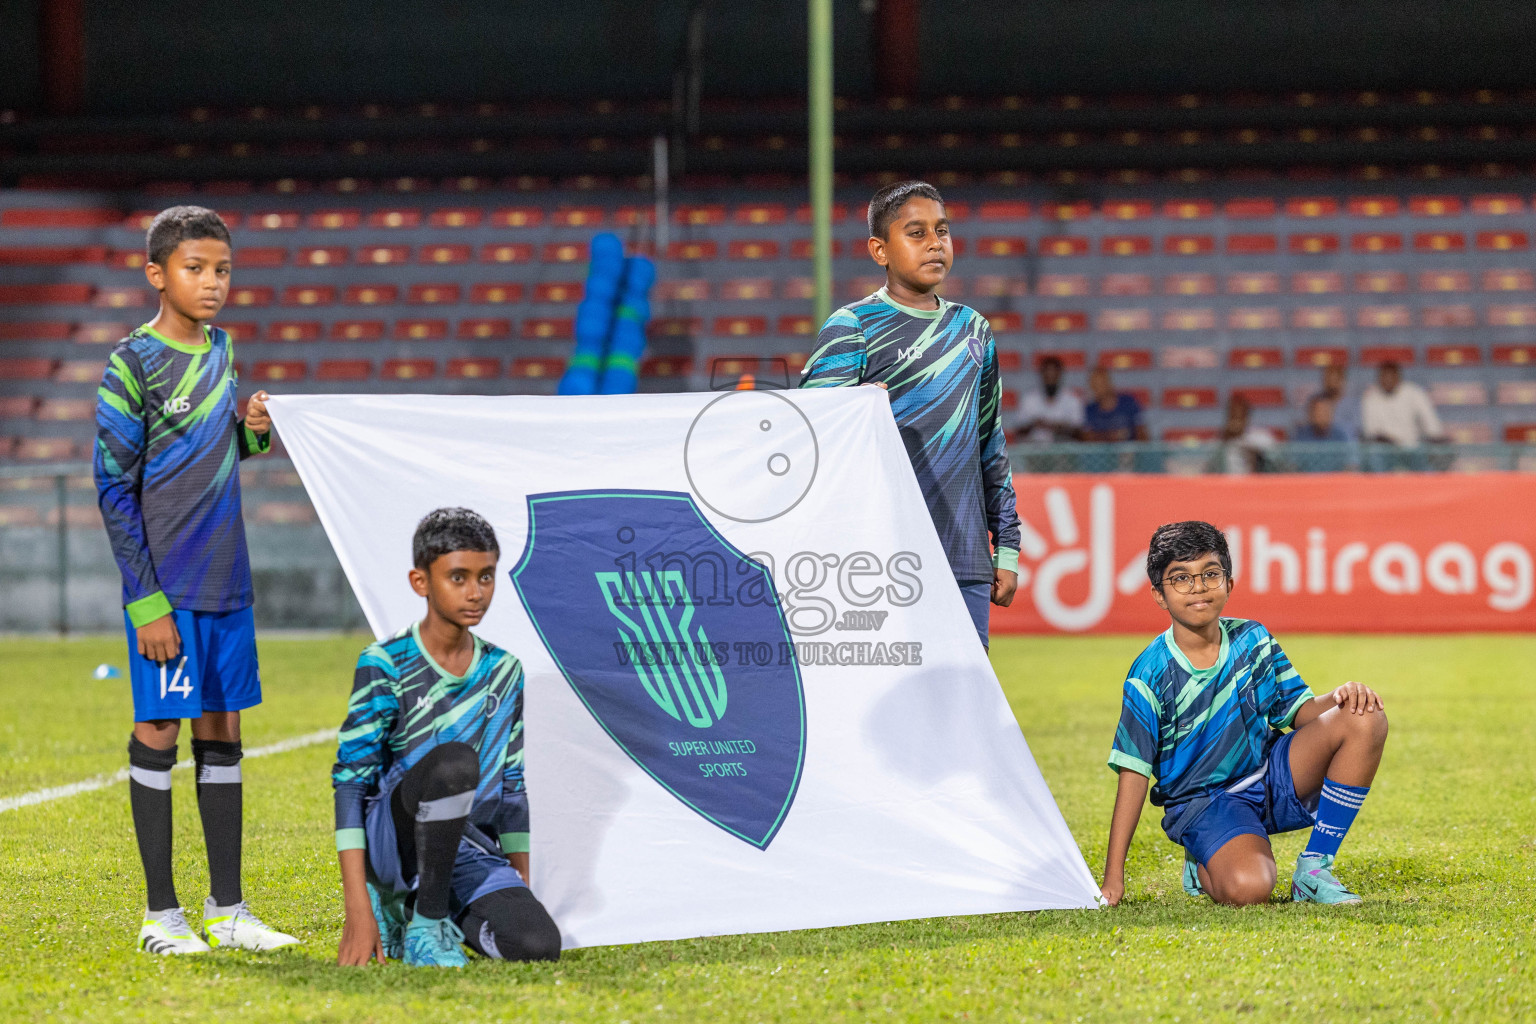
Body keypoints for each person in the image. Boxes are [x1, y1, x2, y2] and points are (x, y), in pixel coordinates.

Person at [95, 206, 297, 955]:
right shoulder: (132, 363)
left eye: (222, 270)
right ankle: (161, 917)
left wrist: (250, 430)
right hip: (168, 592)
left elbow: (216, 456)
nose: (212, 283)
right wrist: (146, 602)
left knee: (224, 731)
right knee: (160, 730)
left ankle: (229, 910)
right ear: (157, 274)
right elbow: (114, 486)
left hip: (227, 581)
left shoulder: (222, 348)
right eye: (195, 269)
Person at [1099, 521, 1388, 908]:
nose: (1198, 587)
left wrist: (1338, 697)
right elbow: (1134, 773)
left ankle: (1314, 870)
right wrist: (1113, 879)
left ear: (1229, 583)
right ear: (1159, 595)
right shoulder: (1149, 674)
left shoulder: (1253, 639)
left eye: (1210, 574)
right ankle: (1206, 857)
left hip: (1268, 775)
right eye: (1181, 578)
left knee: (1362, 715)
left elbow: (1300, 713)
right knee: (1251, 889)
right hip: (1205, 803)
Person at [333, 508, 562, 968]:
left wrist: (519, 887)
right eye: (458, 578)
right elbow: (351, 786)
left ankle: (416, 910)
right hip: (394, 843)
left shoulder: (505, 671)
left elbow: (513, 786)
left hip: (466, 847)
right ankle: (419, 922)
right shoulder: (385, 662)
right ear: (421, 582)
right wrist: (357, 908)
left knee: (537, 947)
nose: (475, 592)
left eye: (486, 577)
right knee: (454, 763)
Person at [799, 180, 1020, 649]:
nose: (936, 243)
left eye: (942, 230)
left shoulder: (974, 329)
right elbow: (810, 436)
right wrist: (855, 406)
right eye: (916, 233)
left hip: (963, 554)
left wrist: (1008, 547)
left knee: (964, 706)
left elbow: (990, 446)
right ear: (879, 249)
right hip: (876, 558)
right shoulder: (852, 326)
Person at [1360, 361, 1446, 447]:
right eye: (1384, 377)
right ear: (1379, 378)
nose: (1388, 380)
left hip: (1412, 450)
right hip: (1383, 451)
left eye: (1391, 376)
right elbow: (1370, 432)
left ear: (1398, 377)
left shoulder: (1414, 393)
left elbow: (1432, 425)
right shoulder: (1370, 398)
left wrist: (1433, 438)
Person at [1016, 355, 1084, 443]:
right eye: (1047, 375)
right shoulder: (1029, 399)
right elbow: (1019, 431)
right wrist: (1034, 424)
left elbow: (1079, 433)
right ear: (1041, 375)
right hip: (1035, 450)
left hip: (1064, 451)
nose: (1050, 378)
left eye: (1054, 375)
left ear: (1060, 375)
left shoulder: (1072, 400)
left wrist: (1059, 427)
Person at [1213, 393, 1277, 475]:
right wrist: (1225, 439)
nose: (1236, 422)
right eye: (1233, 416)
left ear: (1246, 417)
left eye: (1240, 417)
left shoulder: (1259, 437)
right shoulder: (1220, 441)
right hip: (1227, 485)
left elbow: (1273, 451)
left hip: (1251, 484)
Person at [1082, 367, 1147, 442]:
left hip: (1129, 451)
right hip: (1102, 452)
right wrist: (1112, 436)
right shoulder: (1089, 409)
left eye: (1101, 383)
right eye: (1094, 385)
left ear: (1109, 382)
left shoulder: (1128, 402)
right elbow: (1087, 438)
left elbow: (1142, 432)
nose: (1098, 388)